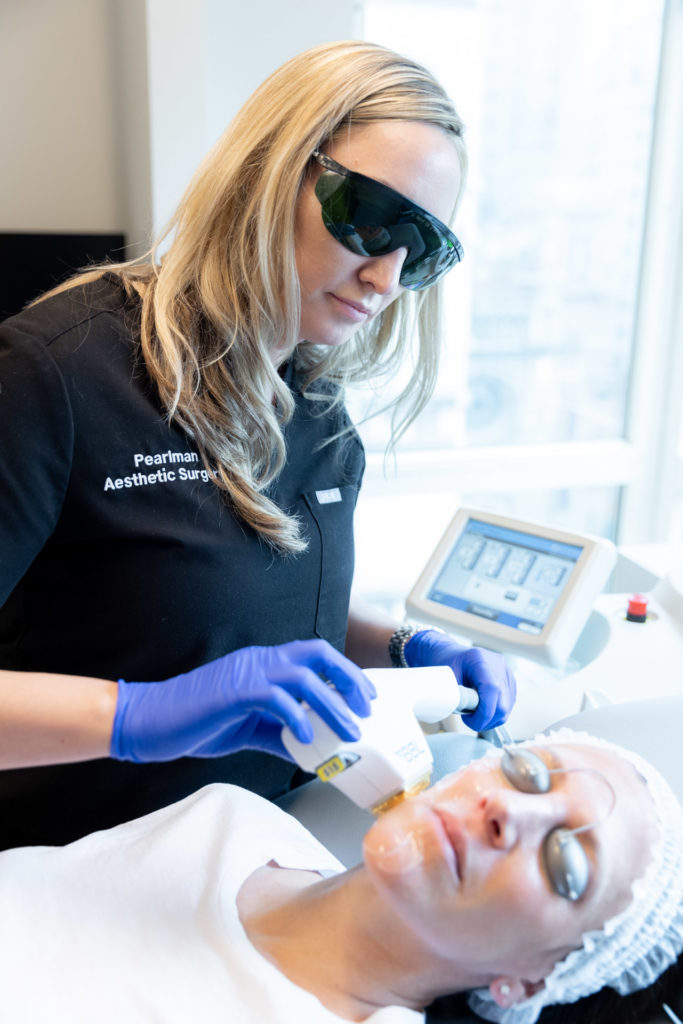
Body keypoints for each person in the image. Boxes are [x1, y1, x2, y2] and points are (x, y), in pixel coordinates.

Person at [0, 40, 517, 848]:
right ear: (269, 170)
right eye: (372, 218)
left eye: (422, 249)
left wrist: (400, 648)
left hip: (255, 853)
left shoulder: (315, 404)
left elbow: (242, 598)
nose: (386, 279)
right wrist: (137, 716)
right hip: (69, 876)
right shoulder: (56, 374)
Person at [0, 728, 680, 1023]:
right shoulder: (234, 818)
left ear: (528, 982)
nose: (508, 809)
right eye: (527, 772)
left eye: (564, 863)